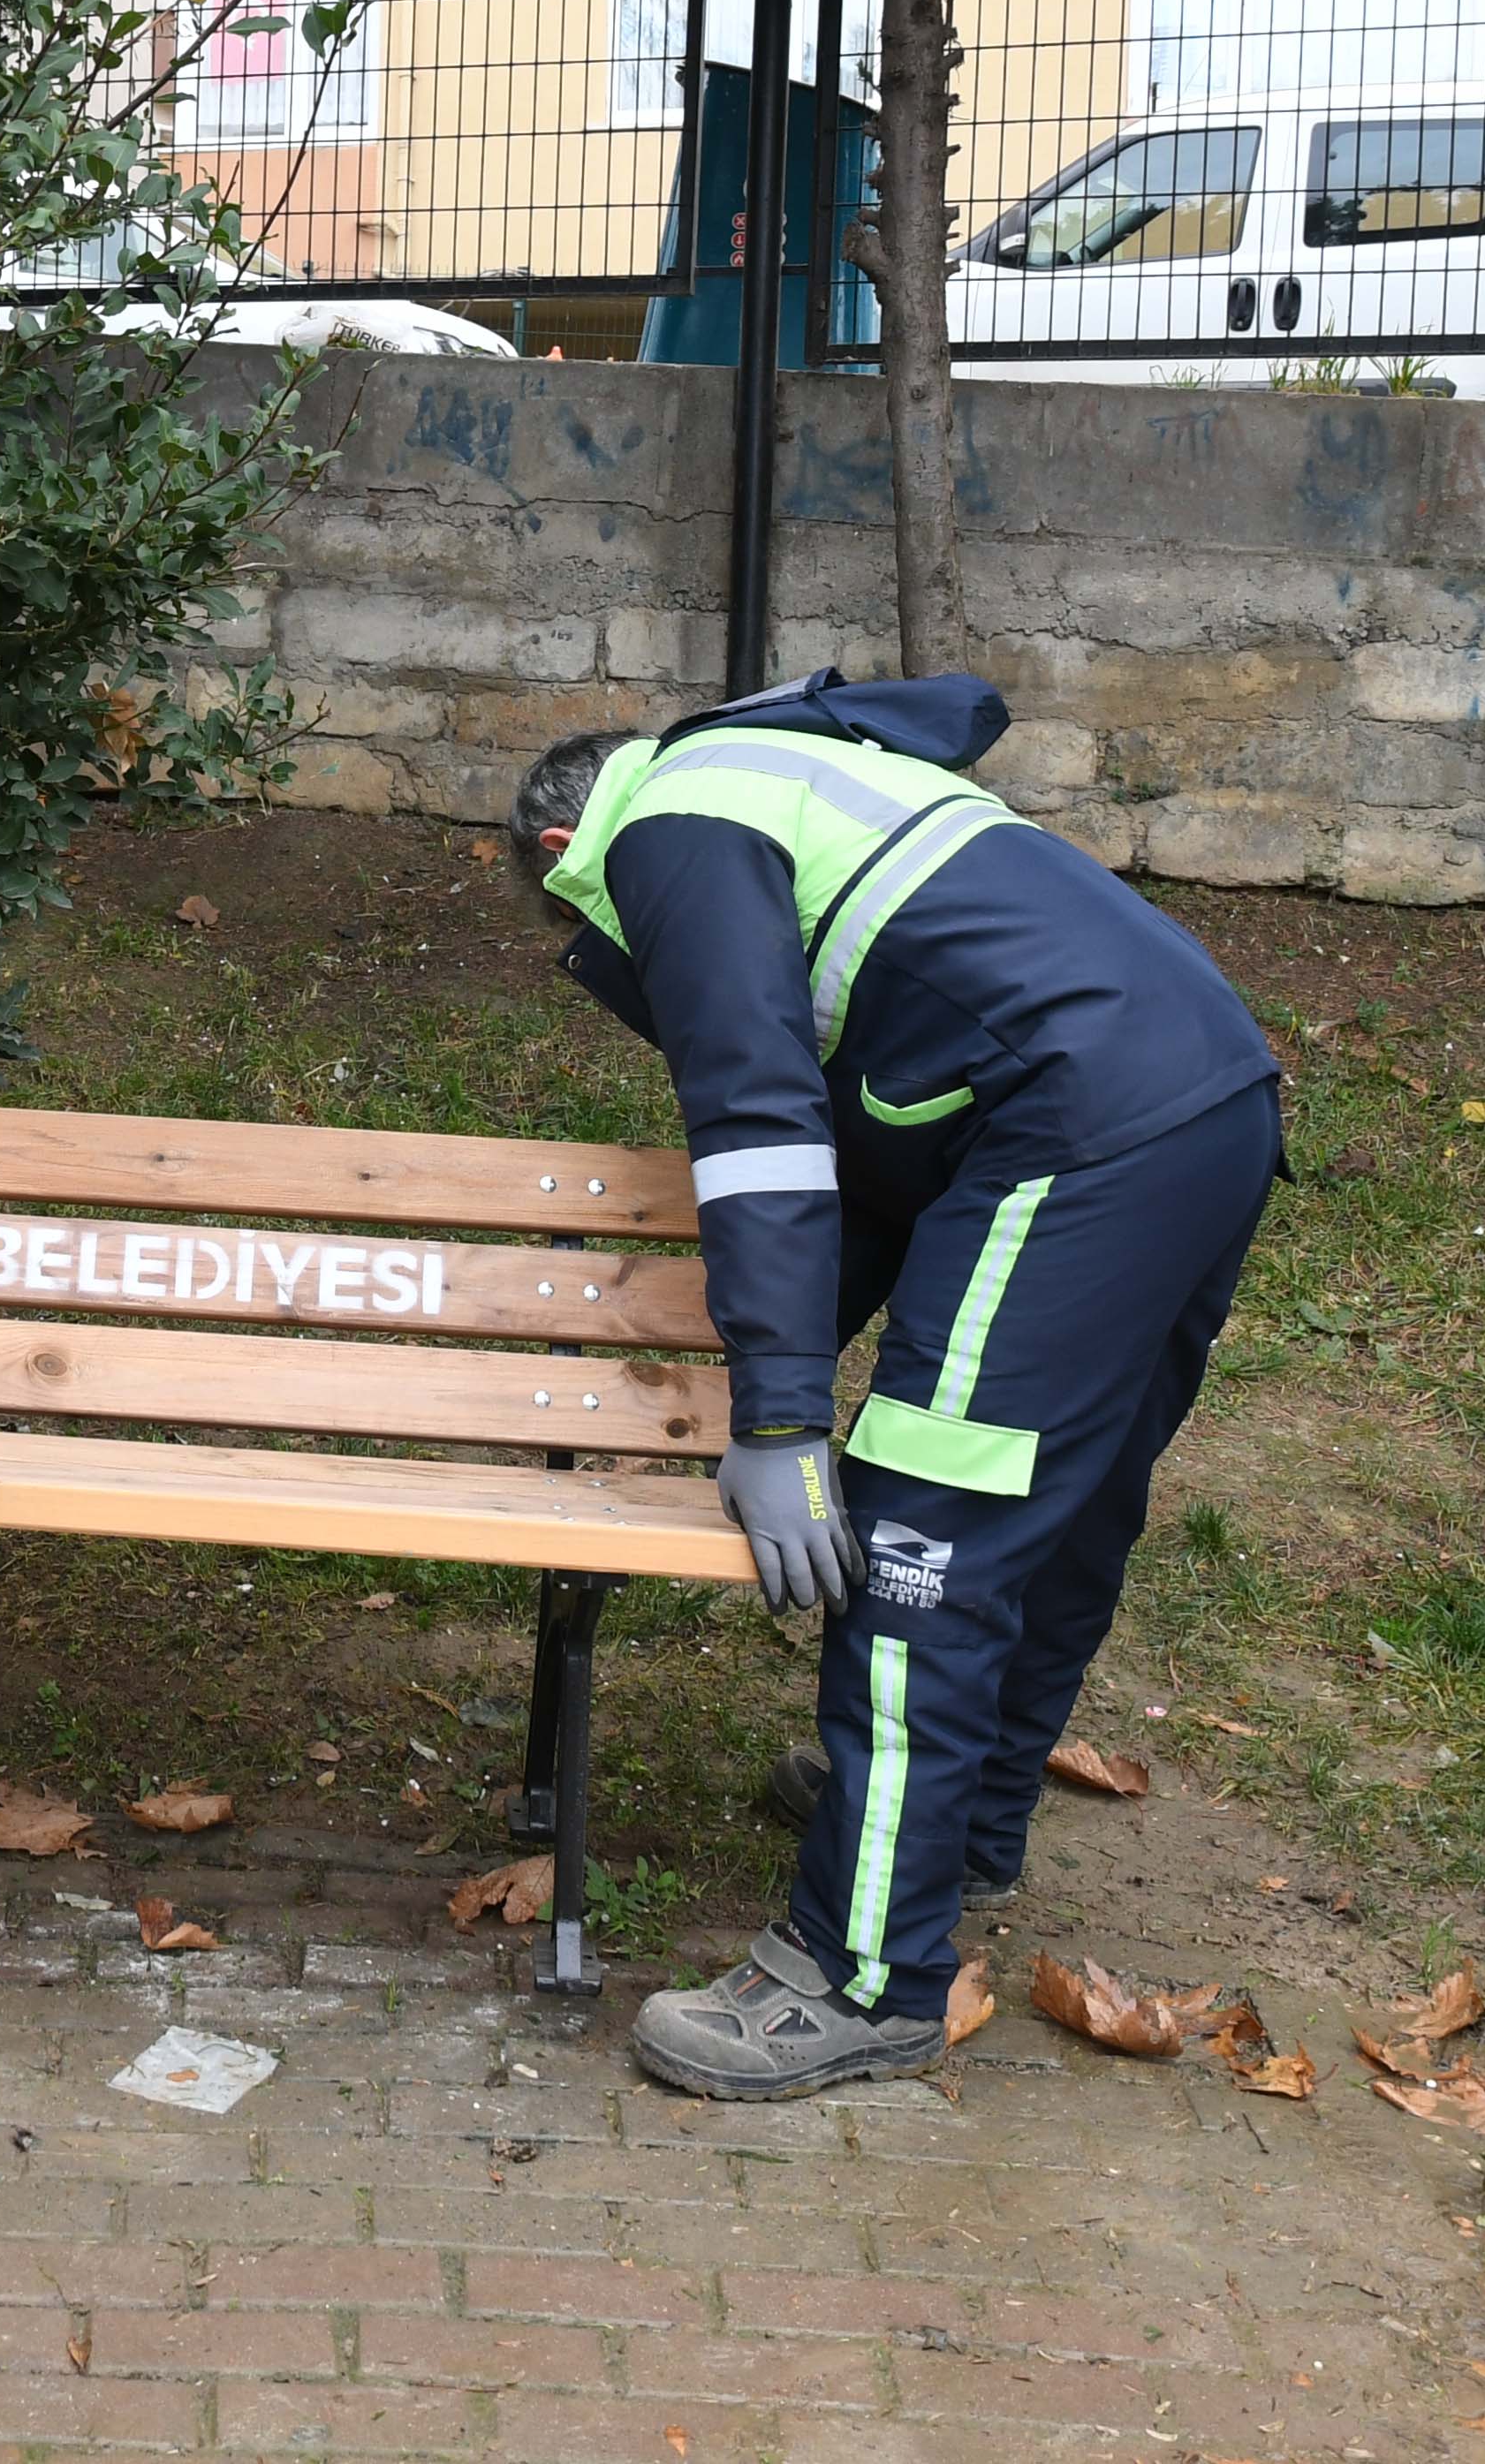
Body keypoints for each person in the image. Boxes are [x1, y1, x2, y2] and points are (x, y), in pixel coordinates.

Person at [508, 669, 1279, 2100]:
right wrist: (756, 1376)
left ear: (567, 857)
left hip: (1081, 1125)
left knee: (927, 1532)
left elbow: (756, 1112)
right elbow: (881, 1149)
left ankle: (856, 1978)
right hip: (1203, 1096)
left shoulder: (667, 820)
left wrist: (791, 1419)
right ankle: (957, 1821)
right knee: (1066, 1506)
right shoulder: (801, 779)